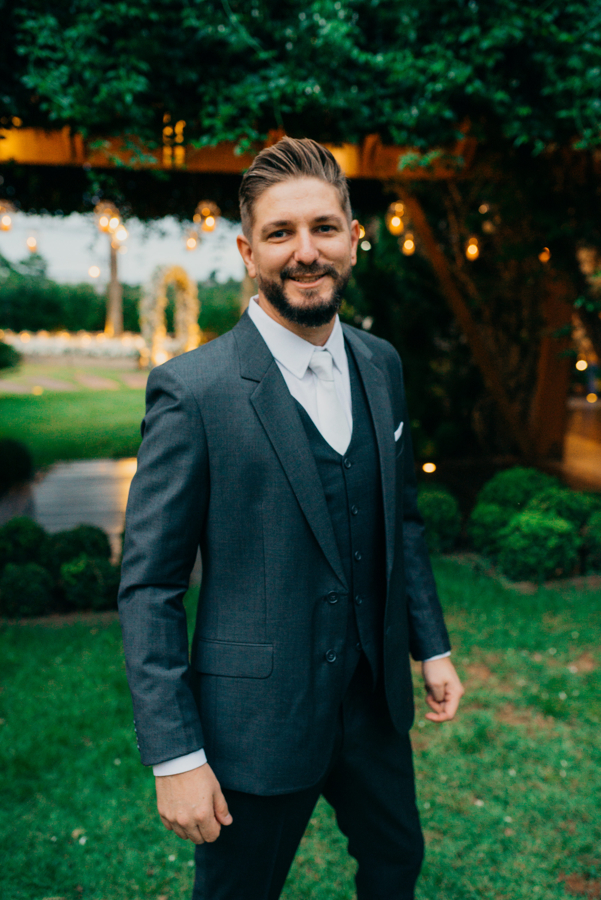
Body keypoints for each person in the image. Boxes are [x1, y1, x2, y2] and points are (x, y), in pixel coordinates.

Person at [118, 137, 464, 900]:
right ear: (249, 252)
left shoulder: (381, 364)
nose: (305, 252)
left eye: (323, 228)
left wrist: (430, 646)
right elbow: (149, 586)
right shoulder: (194, 391)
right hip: (256, 722)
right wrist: (176, 757)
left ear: (352, 238)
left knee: (395, 864)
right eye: (280, 233)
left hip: (372, 706)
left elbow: (401, 523)